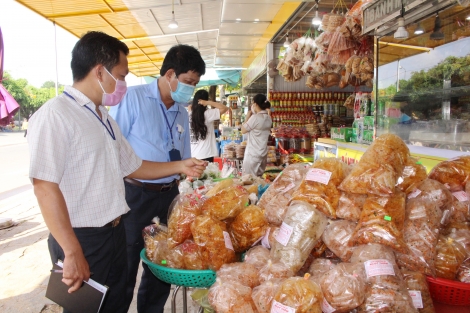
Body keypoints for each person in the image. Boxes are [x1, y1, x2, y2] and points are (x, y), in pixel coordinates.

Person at [27, 31, 206, 313]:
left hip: (114, 229)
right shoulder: (56, 115)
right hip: (81, 237)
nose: (123, 83)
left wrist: (181, 165)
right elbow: (44, 186)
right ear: (100, 71)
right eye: (121, 76)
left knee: (116, 303)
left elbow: (133, 165)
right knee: (84, 309)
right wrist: (72, 251)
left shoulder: (103, 118)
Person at [109, 44, 206, 313]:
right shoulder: (132, 99)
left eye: (195, 84)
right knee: (126, 267)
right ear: (170, 74)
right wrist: (179, 165)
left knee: (162, 264)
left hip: (168, 197)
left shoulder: (181, 113)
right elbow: (115, 152)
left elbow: (182, 159)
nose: (190, 88)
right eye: (187, 82)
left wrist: (190, 171)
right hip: (134, 196)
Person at [190, 89, 229, 162]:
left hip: (192, 155)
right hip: (206, 154)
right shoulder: (207, 114)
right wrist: (208, 102)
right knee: (207, 173)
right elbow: (225, 108)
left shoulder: (189, 114)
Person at [241, 94, 272, 176]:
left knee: (248, 180)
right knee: (258, 180)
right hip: (263, 155)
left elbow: (243, 130)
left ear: (255, 104)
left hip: (252, 155)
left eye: (252, 103)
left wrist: (247, 117)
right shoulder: (268, 118)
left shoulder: (255, 118)